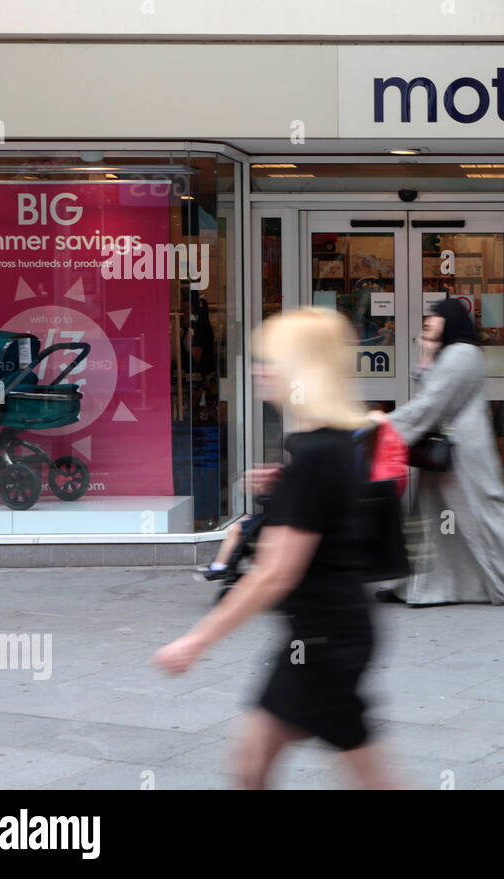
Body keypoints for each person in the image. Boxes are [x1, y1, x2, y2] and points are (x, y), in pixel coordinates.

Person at [154, 308, 395, 788]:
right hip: (328, 633)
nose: (259, 369)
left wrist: (196, 641)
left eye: (271, 359)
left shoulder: (317, 452)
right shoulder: (332, 443)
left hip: (324, 639)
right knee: (256, 765)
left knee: (261, 766)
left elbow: (274, 573)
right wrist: (287, 488)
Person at [376, 298, 504, 605]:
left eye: (435, 317)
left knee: (482, 515)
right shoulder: (455, 352)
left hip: (461, 453)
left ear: (449, 319)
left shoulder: (461, 355)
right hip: (450, 450)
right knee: (433, 521)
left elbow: (433, 402)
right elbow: (432, 392)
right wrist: (428, 353)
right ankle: (419, 586)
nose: (429, 322)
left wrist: (386, 425)